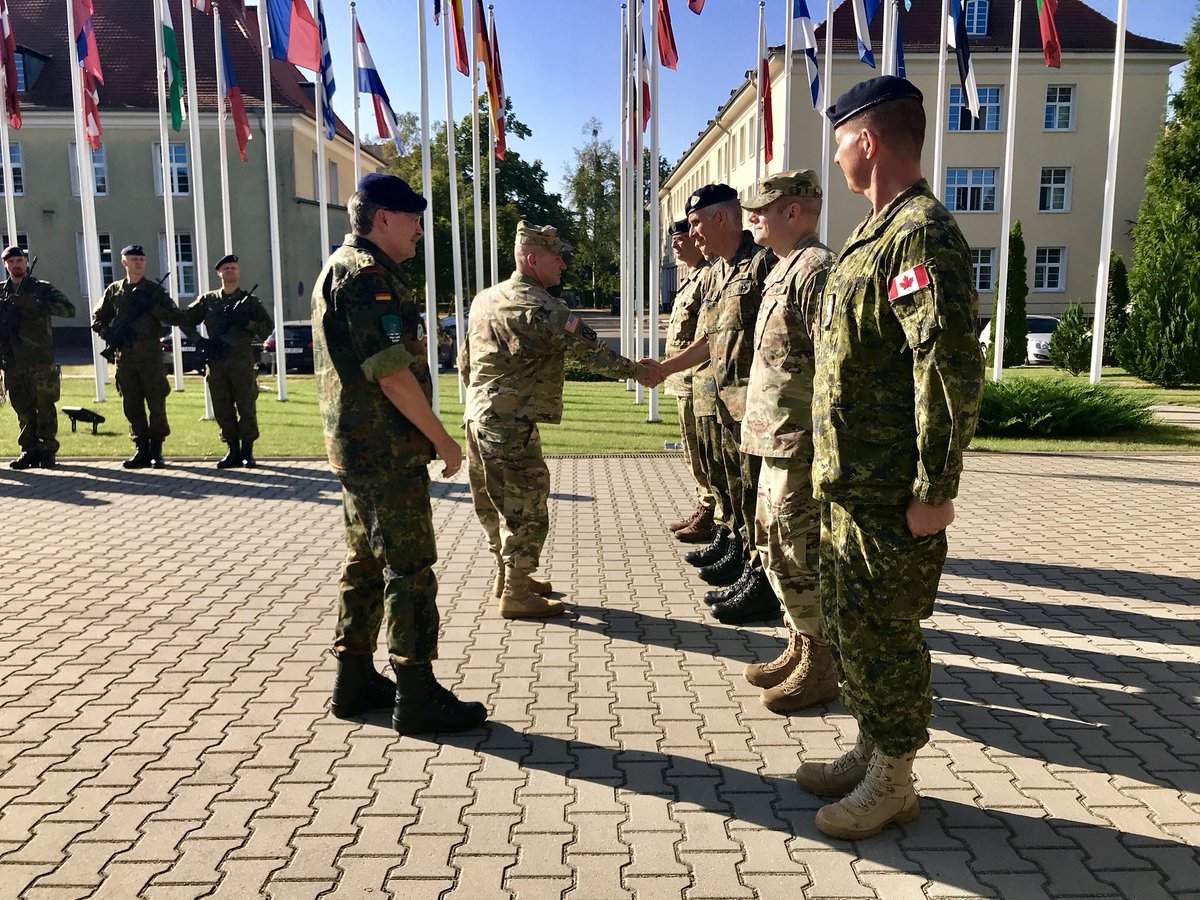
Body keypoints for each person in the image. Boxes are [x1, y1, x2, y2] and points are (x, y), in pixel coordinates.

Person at [795, 76, 984, 839]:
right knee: (850, 628)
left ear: (866, 140)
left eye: (840, 139)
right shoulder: (874, 233)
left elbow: (947, 366)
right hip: (848, 484)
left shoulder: (921, 235)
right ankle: (872, 746)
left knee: (886, 633)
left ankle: (896, 780)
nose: (836, 155)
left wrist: (936, 488)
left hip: (889, 490)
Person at [313, 173, 487, 735]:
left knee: (364, 562)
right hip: (385, 449)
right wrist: (441, 438)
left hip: (359, 449)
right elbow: (390, 374)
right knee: (409, 569)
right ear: (382, 217)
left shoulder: (347, 268)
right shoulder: (367, 277)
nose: (419, 230)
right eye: (413, 219)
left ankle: (355, 679)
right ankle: (416, 693)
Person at [460, 220, 661, 619]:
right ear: (533, 259)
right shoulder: (544, 309)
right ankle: (517, 595)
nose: (564, 265)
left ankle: (507, 575)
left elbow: (465, 360)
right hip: (510, 425)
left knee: (492, 501)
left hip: (477, 416)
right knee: (528, 506)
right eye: (558, 257)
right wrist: (641, 372)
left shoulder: (485, 299)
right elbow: (595, 355)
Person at [736, 170, 838, 713]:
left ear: (794, 211)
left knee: (800, 552)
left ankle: (821, 663)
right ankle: (800, 642)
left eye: (761, 209)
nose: (751, 218)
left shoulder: (816, 270)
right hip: (774, 439)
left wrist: (825, 445)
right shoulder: (783, 269)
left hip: (801, 443)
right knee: (774, 546)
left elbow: (835, 364)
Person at [655, 184, 779, 621]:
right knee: (734, 488)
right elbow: (711, 340)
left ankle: (761, 576)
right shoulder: (721, 271)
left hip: (757, 408)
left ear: (721, 218)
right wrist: (666, 368)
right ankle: (743, 556)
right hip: (725, 402)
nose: (692, 234)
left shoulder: (764, 265)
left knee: (757, 495)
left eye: (695, 223)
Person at [91, 245, 182, 469]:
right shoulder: (114, 291)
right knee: (131, 405)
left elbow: (175, 317)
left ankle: (156, 450)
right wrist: (108, 333)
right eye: (134, 259)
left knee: (157, 404)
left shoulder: (154, 291)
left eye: (142, 259)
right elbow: (97, 317)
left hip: (150, 358)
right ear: (124, 263)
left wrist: (155, 309)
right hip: (125, 358)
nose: (139, 263)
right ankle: (141, 448)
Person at [180, 254, 274, 468]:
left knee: (247, 407)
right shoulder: (208, 300)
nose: (230, 271)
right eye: (226, 268)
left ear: (238, 272)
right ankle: (232, 450)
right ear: (219, 273)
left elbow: (267, 329)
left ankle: (247, 453)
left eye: (233, 267)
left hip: (242, 363)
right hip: (217, 363)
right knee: (222, 408)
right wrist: (200, 341)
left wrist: (248, 323)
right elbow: (185, 320)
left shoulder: (250, 302)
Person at [662, 219, 717, 544]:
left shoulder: (709, 276)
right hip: (684, 382)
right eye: (674, 241)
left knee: (702, 452)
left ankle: (709, 512)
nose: (677, 245)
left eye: (682, 239)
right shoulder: (691, 278)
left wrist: (665, 368)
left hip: (700, 381)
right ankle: (703, 504)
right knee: (691, 451)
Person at [0, 246, 77, 469]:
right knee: (22, 408)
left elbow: (68, 310)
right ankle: (29, 450)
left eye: (20, 260)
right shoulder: (2, 292)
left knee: (44, 406)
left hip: (39, 360)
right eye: (12, 261)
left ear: (26, 262)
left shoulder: (41, 289)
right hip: (12, 361)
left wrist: (36, 305)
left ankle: (47, 450)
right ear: (6, 265)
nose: (17, 264)